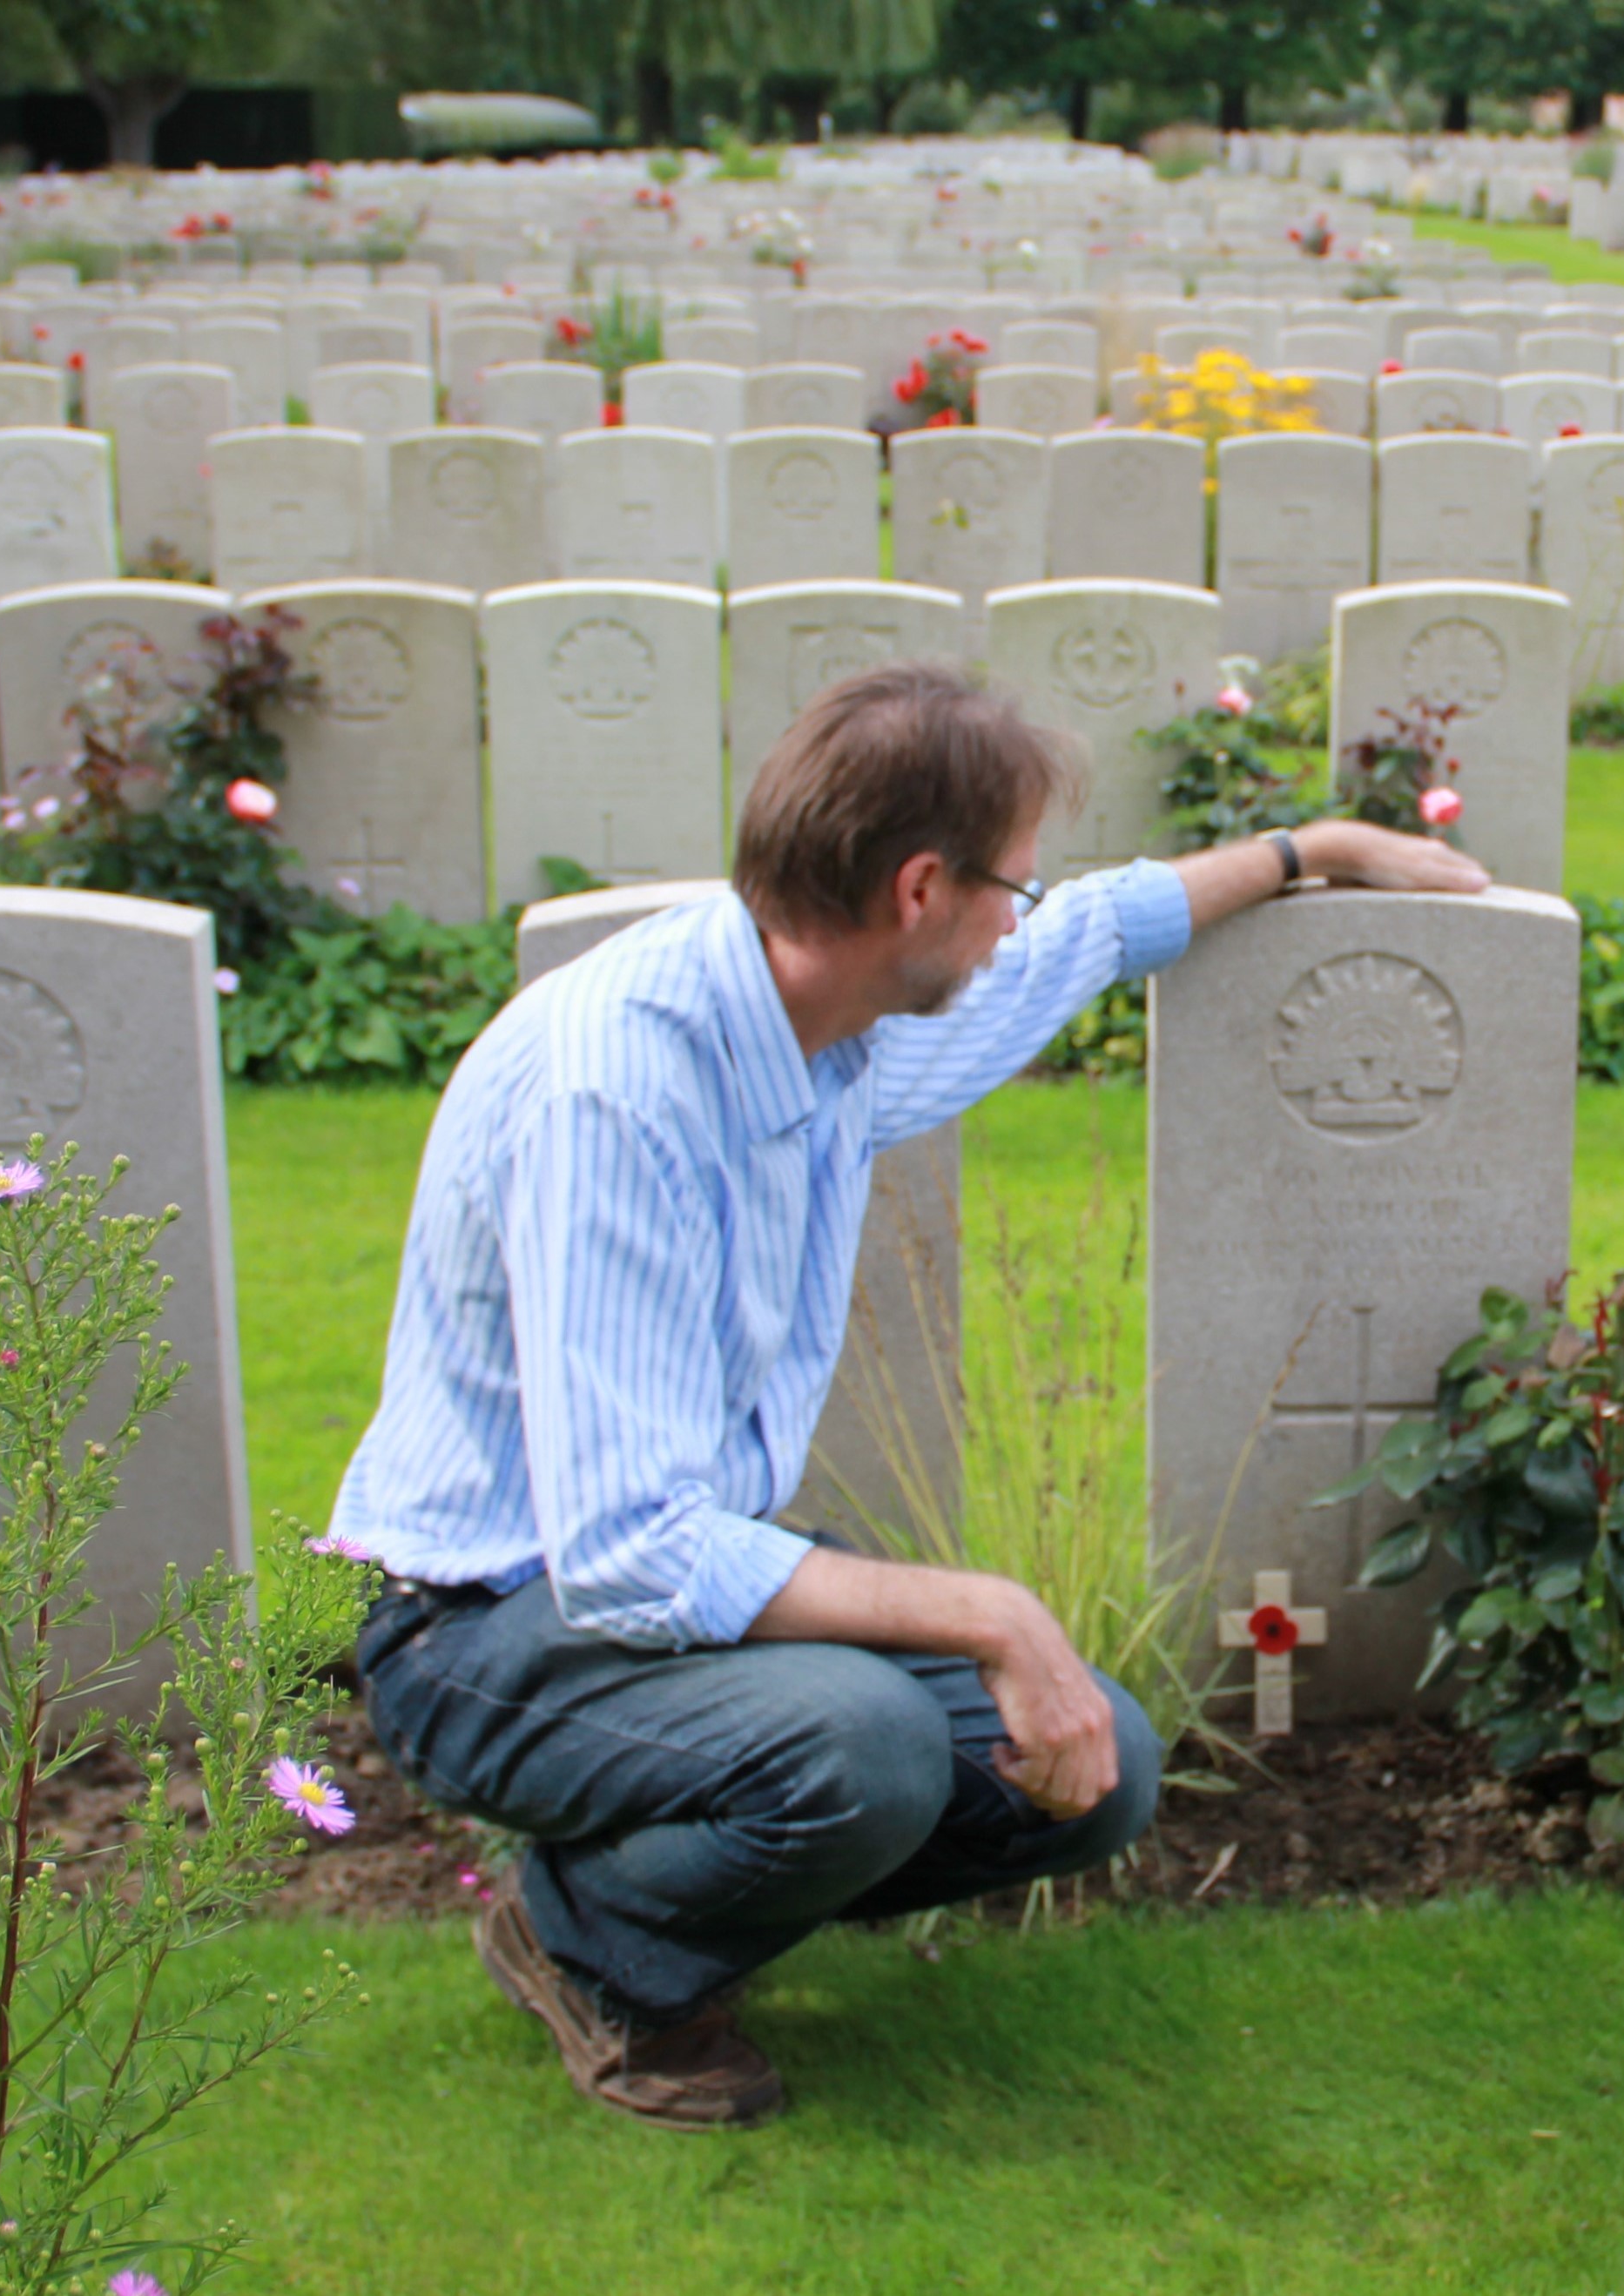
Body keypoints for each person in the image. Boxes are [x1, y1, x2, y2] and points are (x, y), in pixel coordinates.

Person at [332, 663, 1487, 2129]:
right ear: (921, 889)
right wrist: (991, 1611)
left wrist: (1303, 851)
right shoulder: (614, 1093)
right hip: (483, 1624)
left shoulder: (831, 1023)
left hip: (643, 1590)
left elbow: (1077, 940)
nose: (1018, 919)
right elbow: (626, 1548)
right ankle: (594, 1943)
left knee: (1094, 1766)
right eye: (1008, 882)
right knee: (866, 1750)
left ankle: (634, 1893)